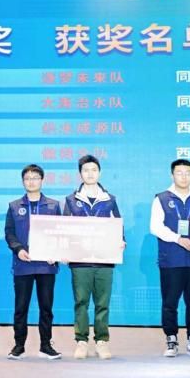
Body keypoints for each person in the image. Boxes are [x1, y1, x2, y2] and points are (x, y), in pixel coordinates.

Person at [63, 154, 125, 360]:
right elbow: (64, 228)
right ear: (80, 174)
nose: (90, 174)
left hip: (104, 260)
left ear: (100, 172)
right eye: (86, 170)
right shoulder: (71, 200)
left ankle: (101, 341)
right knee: (81, 302)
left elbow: (118, 227)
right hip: (80, 261)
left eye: (94, 170)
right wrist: (64, 250)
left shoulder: (110, 200)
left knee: (102, 303)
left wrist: (121, 241)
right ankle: (81, 341)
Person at [150, 159, 190, 358]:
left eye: (187, 172)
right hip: (171, 259)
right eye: (179, 172)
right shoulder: (161, 198)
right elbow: (155, 227)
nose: (183, 176)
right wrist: (178, 239)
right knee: (170, 302)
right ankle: (171, 339)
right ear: (172, 175)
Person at [4, 164, 62, 360]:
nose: (31, 181)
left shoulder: (53, 206)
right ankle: (19, 346)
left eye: (35, 178)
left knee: (46, 307)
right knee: (21, 308)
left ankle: (46, 345)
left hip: (46, 265)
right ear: (23, 182)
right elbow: (9, 233)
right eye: (27, 178)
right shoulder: (14, 206)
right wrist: (18, 249)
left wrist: (55, 253)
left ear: (42, 180)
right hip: (23, 264)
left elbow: (60, 233)